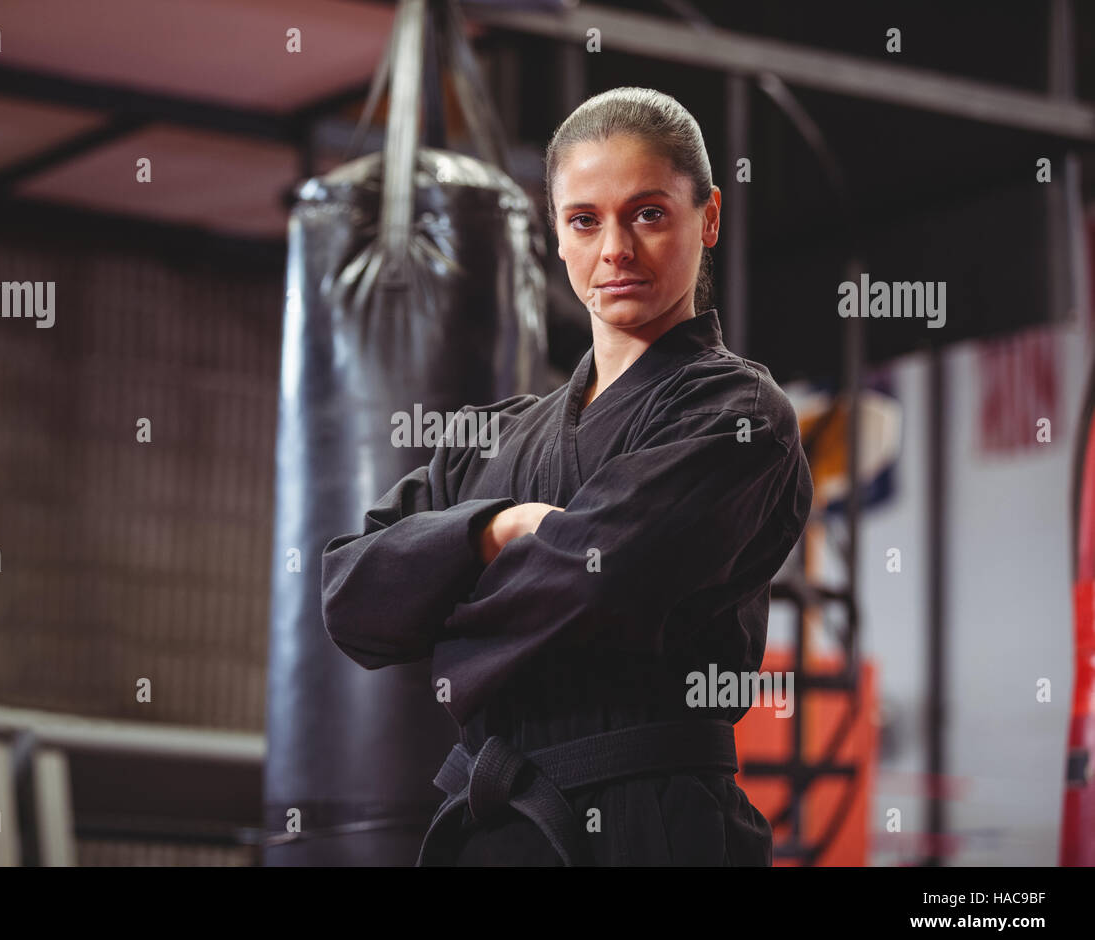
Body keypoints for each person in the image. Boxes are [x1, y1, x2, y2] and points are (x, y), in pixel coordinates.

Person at [320, 87, 814, 866]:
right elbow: (352, 596)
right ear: (556, 231)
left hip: (653, 825)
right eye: (585, 219)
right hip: (490, 827)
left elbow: (600, 584)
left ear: (708, 216)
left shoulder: (737, 413)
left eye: (648, 213)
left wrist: (442, 593)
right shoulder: (495, 435)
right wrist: (500, 528)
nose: (614, 248)